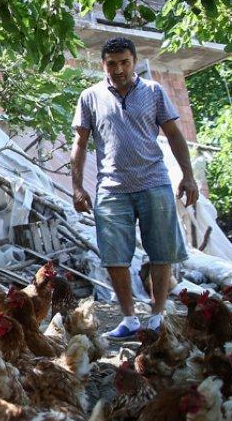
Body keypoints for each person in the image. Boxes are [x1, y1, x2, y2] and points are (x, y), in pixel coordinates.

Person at [71, 36, 199, 342]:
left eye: (124, 62)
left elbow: (174, 134)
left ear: (134, 62)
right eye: (111, 63)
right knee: (115, 256)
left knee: (161, 251)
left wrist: (188, 176)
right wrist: (77, 186)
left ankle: (157, 316)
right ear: (103, 65)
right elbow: (80, 143)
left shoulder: (153, 91)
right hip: (112, 188)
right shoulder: (90, 97)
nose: (118, 69)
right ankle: (128, 319)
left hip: (154, 182)